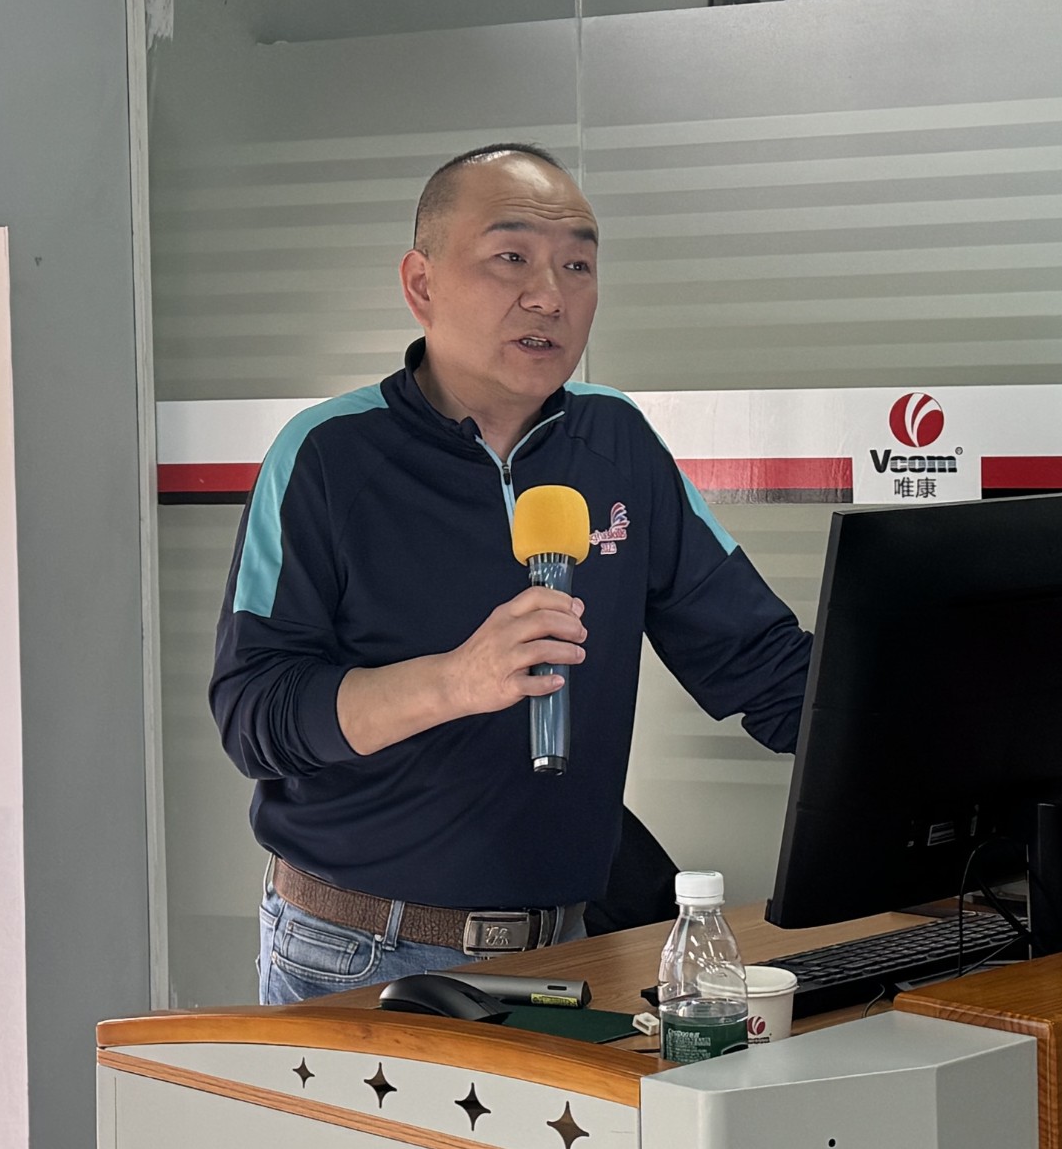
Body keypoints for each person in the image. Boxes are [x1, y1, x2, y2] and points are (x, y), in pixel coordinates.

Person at [211, 144, 812, 1004]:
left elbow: (765, 665)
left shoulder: (617, 443)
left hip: (565, 946)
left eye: (578, 265)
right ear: (421, 284)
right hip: (357, 952)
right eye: (511, 257)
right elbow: (253, 713)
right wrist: (455, 680)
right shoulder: (325, 455)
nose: (550, 295)